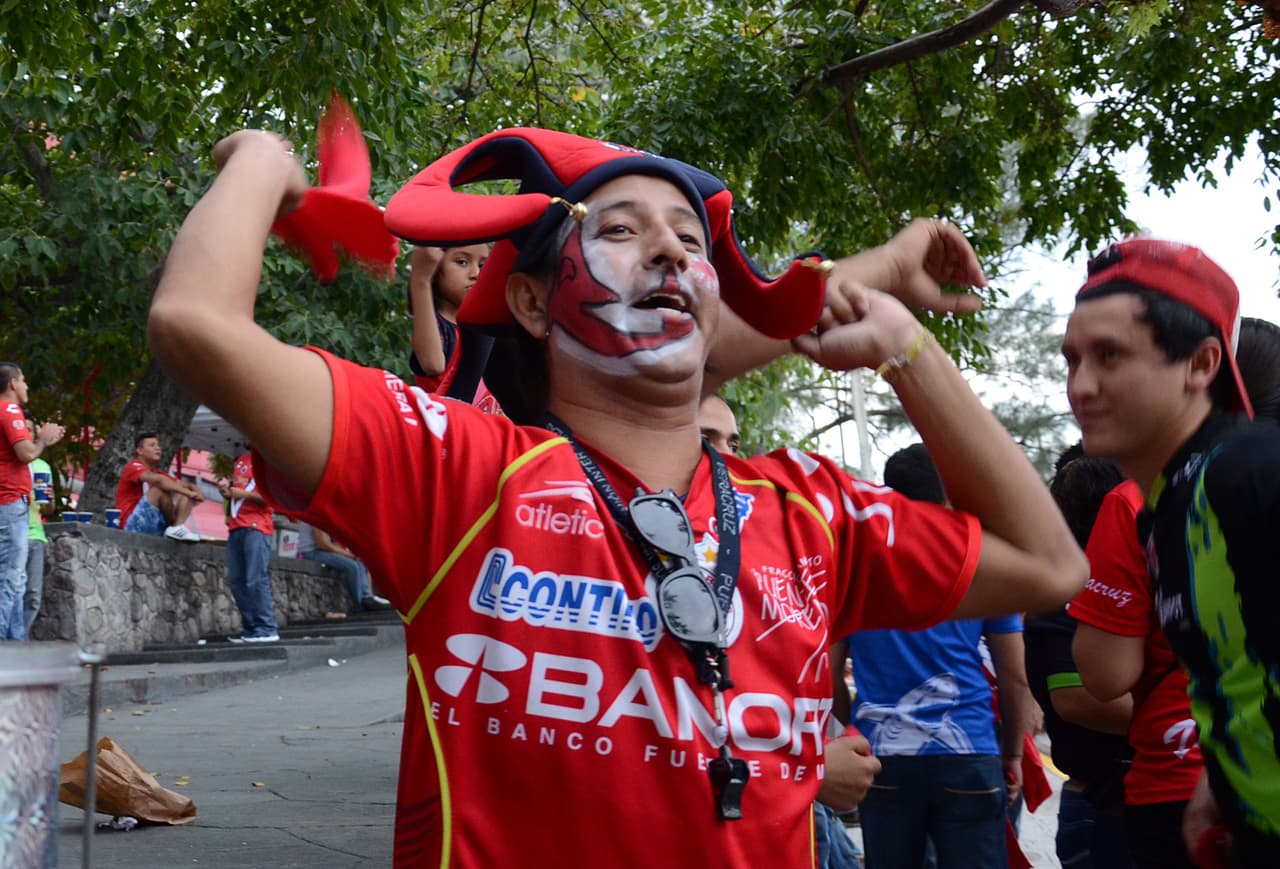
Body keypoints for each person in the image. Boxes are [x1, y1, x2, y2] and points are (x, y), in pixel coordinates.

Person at [148, 125, 1086, 866]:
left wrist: (903, 345)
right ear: (528, 303)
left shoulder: (814, 511)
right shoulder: (459, 475)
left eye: (690, 241)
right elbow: (195, 322)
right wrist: (264, 163)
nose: (672, 255)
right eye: (623, 230)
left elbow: (1048, 561)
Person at [1062, 237, 1280, 865]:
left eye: (1110, 355)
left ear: (1203, 363)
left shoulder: (1247, 473)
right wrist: (1226, 778)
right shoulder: (1166, 508)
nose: (1081, 384)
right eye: (1071, 359)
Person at [837, 443, 1034, 869]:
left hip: (882, 759)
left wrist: (851, 732)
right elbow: (1014, 675)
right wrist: (1012, 753)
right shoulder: (980, 561)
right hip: (969, 752)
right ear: (948, 493)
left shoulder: (857, 569)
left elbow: (829, 674)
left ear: (889, 496)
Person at [696, 393, 870, 869]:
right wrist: (810, 772)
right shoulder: (625, 553)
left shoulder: (772, 544)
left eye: (732, 441)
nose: (725, 456)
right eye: (706, 439)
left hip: (793, 824)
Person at [1025, 450, 1135, 869]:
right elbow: (1075, 698)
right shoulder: (1065, 596)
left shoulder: (1136, 584)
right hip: (1101, 808)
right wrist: (1183, 718)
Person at [0, 362, 65, 641]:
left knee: (15, 577)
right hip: (10, 500)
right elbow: (27, 454)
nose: (26, 386)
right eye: (24, 380)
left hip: (9, 503)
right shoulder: (10, 409)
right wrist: (43, 441)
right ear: (13, 383)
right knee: (12, 575)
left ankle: (16, 640)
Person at [407, 243, 503, 413]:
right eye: (462, 262)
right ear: (435, 269)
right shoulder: (438, 329)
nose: (476, 274)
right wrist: (420, 280)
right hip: (448, 430)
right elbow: (433, 364)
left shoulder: (491, 329)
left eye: (482, 265)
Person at [217, 451, 280, 643]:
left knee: (255, 578)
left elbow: (272, 499)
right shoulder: (241, 459)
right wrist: (226, 492)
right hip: (237, 526)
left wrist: (242, 493)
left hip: (257, 527)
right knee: (237, 581)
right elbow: (238, 497)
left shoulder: (269, 461)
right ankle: (251, 628)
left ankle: (267, 628)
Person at [116, 431, 205, 541]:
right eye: (152, 445)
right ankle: (174, 527)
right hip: (131, 525)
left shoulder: (158, 472)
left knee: (182, 492)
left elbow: (182, 484)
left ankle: (176, 528)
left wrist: (194, 490)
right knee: (159, 490)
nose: (158, 448)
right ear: (140, 451)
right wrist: (188, 492)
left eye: (158, 445)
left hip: (154, 525)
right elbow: (159, 481)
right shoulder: (133, 466)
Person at [297, 520, 392, 614]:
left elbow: (330, 544)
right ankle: (359, 606)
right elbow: (323, 544)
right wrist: (348, 555)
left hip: (321, 551)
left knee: (360, 562)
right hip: (311, 553)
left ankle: (367, 598)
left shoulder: (323, 514)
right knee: (352, 566)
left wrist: (350, 554)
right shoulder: (316, 513)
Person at [24, 423, 57, 634]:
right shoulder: (7, 462)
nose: (26, 432)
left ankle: (20, 639)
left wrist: (51, 500)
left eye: (30, 428)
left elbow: (49, 510)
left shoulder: (43, 466)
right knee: (10, 592)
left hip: (36, 534)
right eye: (22, 427)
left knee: (33, 595)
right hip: (9, 533)